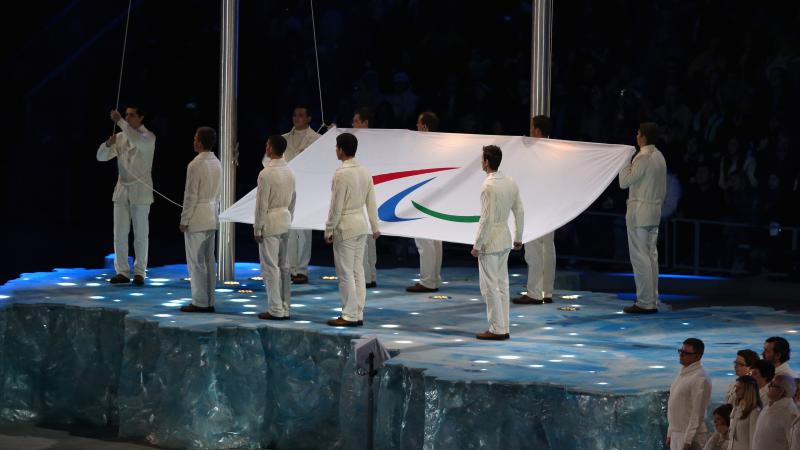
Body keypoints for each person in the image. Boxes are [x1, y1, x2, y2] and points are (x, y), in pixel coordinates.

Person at [325, 133, 380, 327]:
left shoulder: (341, 174)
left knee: (346, 272)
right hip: (361, 226)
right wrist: (375, 226)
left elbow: (335, 206)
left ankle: (349, 314)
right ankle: (357, 312)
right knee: (358, 271)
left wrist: (329, 229)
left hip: (345, 227)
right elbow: (371, 202)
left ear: (340, 149)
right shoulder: (365, 171)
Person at [96, 107, 156, 286]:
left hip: (141, 190)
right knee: (119, 233)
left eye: (131, 115)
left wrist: (120, 121)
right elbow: (100, 157)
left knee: (141, 234)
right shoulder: (121, 137)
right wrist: (108, 144)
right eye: (126, 114)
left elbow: (136, 140)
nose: (127, 118)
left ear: (141, 117)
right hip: (122, 189)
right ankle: (122, 271)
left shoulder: (149, 137)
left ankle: (139, 272)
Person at [471, 145, 524, 340]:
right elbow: (519, 210)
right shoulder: (510, 182)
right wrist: (519, 237)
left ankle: (496, 328)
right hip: (505, 239)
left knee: (490, 287)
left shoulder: (488, 186)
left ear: (486, 161)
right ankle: (503, 326)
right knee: (502, 285)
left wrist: (477, 244)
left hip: (490, 242)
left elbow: (486, 219)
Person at [620, 122, 667, 314]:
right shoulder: (660, 156)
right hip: (654, 211)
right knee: (650, 257)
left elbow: (624, 182)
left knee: (641, 258)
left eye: (638, 133)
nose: (636, 136)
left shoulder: (643, 157)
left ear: (644, 137)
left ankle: (645, 301)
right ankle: (651, 298)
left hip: (640, 213)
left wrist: (624, 161)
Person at [179, 127, 222, 313]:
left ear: (201, 142)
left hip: (198, 216)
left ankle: (199, 301)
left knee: (196, 262)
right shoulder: (217, 162)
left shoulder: (195, 165)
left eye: (196, 138)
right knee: (208, 261)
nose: (193, 141)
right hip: (212, 214)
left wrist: (184, 218)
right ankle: (209, 299)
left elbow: (191, 196)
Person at [514, 115, 556, 305]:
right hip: (551, 207)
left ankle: (534, 292)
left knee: (533, 250)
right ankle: (546, 291)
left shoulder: (534, 151)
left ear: (537, 130)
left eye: (532, 128)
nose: (530, 131)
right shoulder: (556, 149)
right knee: (548, 249)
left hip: (536, 205)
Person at [254, 135, 296, 320]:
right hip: (285, 219)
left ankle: (275, 309)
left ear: (271, 148)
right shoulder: (290, 171)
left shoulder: (266, 173)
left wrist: (258, 228)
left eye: (267, 145)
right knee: (284, 266)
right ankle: (285, 306)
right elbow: (293, 199)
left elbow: (261, 204)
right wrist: (289, 218)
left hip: (270, 221)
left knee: (270, 267)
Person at [281, 106, 321, 285]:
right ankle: (290, 267)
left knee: (304, 232)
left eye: (301, 115)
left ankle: (302, 269)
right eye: (295, 115)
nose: (297, 118)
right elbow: (268, 159)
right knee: (289, 230)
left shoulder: (317, 140)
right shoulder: (283, 139)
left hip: (306, 189)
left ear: (309, 118)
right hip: (287, 188)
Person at [407, 111, 444, 293]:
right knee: (435, 240)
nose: (416, 127)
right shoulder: (440, 144)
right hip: (437, 195)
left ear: (425, 126)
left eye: (418, 124)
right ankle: (433, 278)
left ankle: (428, 281)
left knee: (426, 241)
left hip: (425, 197)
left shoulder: (424, 146)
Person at [667, 338, 712, 450]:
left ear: (697, 356)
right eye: (680, 351)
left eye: (686, 353)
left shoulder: (700, 378)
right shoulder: (683, 373)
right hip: (677, 432)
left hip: (690, 436)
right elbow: (674, 405)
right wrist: (670, 431)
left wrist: (688, 439)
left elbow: (698, 413)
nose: (681, 355)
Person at [352, 107, 378, 288]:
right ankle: (369, 276)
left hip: (367, 190)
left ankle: (368, 276)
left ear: (365, 124)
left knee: (367, 238)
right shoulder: (359, 142)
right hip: (365, 189)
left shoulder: (371, 142)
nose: (353, 125)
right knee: (367, 237)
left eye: (356, 122)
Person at [751, 374, 798, 450]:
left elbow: (794, 444)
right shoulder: (768, 407)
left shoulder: (789, 413)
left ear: (781, 391)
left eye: (773, 385)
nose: (769, 386)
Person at [728, 375, 762, 450]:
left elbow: (754, 440)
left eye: (739, 388)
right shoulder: (737, 408)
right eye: (735, 387)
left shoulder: (755, 412)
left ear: (748, 390)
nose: (735, 390)